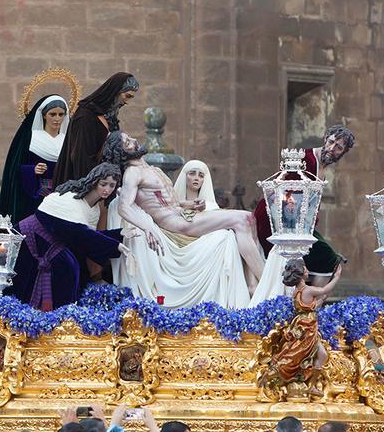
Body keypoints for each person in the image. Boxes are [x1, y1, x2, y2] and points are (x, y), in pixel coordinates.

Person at [105, 131, 265, 289]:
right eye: (127, 143)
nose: (134, 140)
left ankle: (253, 284)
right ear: (123, 153)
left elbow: (164, 201)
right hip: (178, 224)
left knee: (249, 219)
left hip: (183, 215)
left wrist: (190, 204)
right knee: (243, 219)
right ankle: (264, 282)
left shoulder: (151, 169)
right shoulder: (133, 173)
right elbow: (123, 206)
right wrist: (147, 228)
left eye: (129, 138)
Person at [0, 163, 128, 311]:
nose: (107, 189)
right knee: (0, 280)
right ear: (94, 181)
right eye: (103, 184)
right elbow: (80, 234)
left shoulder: (94, 211)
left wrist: (119, 234)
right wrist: (114, 245)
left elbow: (86, 236)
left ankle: (52, 319)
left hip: (49, 244)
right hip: (27, 237)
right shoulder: (71, 198)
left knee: (68, 268)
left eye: (112, 186)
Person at [252, 124, 354, 281]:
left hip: (298, 223)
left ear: (343, 152)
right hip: (275, 218)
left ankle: (310, 301)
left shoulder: (323, 170)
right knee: (326, 256)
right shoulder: (306, 159)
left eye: (339, 147)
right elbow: (280, 190)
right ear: (325, 138)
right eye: (331, 142)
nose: (332, 148)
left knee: (328, 259)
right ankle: (308, 300)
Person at [259, 260, 342, 397]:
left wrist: (321, 300)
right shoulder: (307, 290)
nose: (308, 271)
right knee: (299, 355)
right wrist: (336, 277)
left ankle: (311, 386)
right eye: (305, 269)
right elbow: (323, 290)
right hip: (306, 330)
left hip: (306, 327)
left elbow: (311, 307)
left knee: (314, 355)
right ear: (301, 273)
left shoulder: (298, 292)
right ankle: (274, 379)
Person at [53, 73, 139, 186]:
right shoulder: (85, 115)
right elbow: (80, 156)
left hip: (106, 181)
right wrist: (91, 186)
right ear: (115, 91)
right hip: (86, 182)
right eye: (127, 96)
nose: (127, 102)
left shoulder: (109, 117)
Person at [0, 94, 70, 223]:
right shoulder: (30, 138)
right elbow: (14, 168)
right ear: (43, 115)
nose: (57, 119)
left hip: (61, 196)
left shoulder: (68, 141)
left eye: (61, 114)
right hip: (34, 196)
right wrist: (32, 170)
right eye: (52, 114)